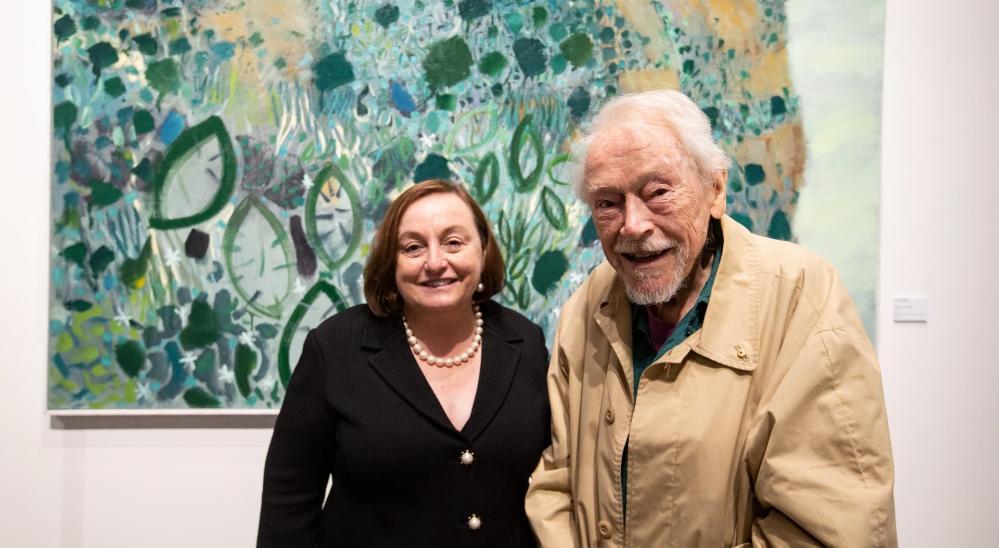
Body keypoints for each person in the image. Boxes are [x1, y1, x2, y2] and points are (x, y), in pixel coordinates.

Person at [524, 90, 896, 546]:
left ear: (714, 190)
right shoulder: (588, 306)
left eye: (657, 192)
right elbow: (557, 479)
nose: (633, 224)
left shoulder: (801, 296)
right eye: (608, 203)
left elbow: (831, 529)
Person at [258, 179, 550, 547]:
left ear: (484, 250)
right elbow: (289, 498)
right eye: (412, 247)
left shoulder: (526, 342)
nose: (435, 262)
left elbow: (553, 479)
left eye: (453, 242)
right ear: (391, 263)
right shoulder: (335, 348)